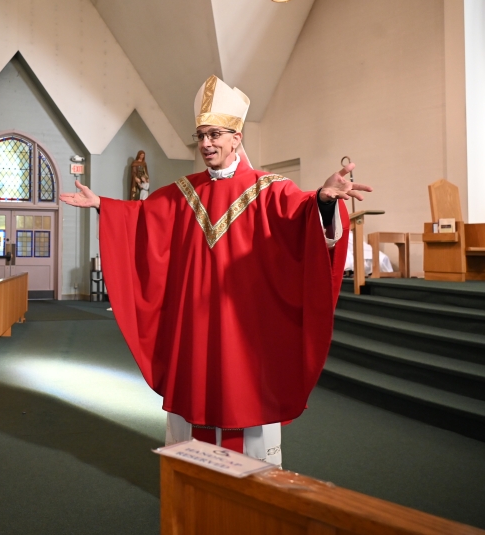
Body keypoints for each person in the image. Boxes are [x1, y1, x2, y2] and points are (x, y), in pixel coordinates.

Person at [60, 75, 369, 465]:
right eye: (201, 135)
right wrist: (103, 205)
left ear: (237, 136)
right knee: (194, 414)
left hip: (247, 330)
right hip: (195, 328)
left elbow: (305, 217)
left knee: (246, 408)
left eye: (215, 134)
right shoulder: (182, 192)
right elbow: (144, 220)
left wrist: (324, 200)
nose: (206, 143)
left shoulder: (269, 189)